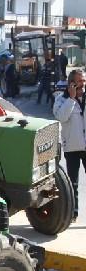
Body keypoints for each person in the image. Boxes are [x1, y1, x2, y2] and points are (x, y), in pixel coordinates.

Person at [53, 69, 86, 222]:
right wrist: (71, 100)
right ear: (71, 83)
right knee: (72, 183)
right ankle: (73, 212)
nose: (83, 84)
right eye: (80, 81)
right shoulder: (61, 99)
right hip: (72, 147)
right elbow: (61, 117)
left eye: (84, 80)